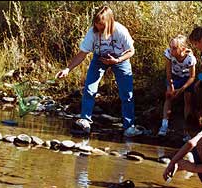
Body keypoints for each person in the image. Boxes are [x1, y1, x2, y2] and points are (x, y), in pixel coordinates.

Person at [55, 6, 142, 137]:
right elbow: (82, 54)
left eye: (102, 26)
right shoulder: (92, 33)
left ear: (109, 22)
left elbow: (131, 51)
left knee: (127, 93)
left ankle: (129, 127)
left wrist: (117, 60)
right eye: (97, 25)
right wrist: (68, 69)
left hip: (120, 59)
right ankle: (85, 120)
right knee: (89, 88)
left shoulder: (121, 31)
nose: (99, 29)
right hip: (99, 59)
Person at [157, 35, 197, 142]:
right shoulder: (169, 54)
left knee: (187, 100)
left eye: (174, 48)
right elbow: (168, 72)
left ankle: (187, 130)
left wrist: (182, 89)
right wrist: (172, 86)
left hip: (186, 78)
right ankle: (164, 125)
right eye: (171, 47)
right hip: (174, 77)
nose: (171, 50)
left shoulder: (190, 59)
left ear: (182, 49)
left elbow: (192, 77)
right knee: (169, 96)